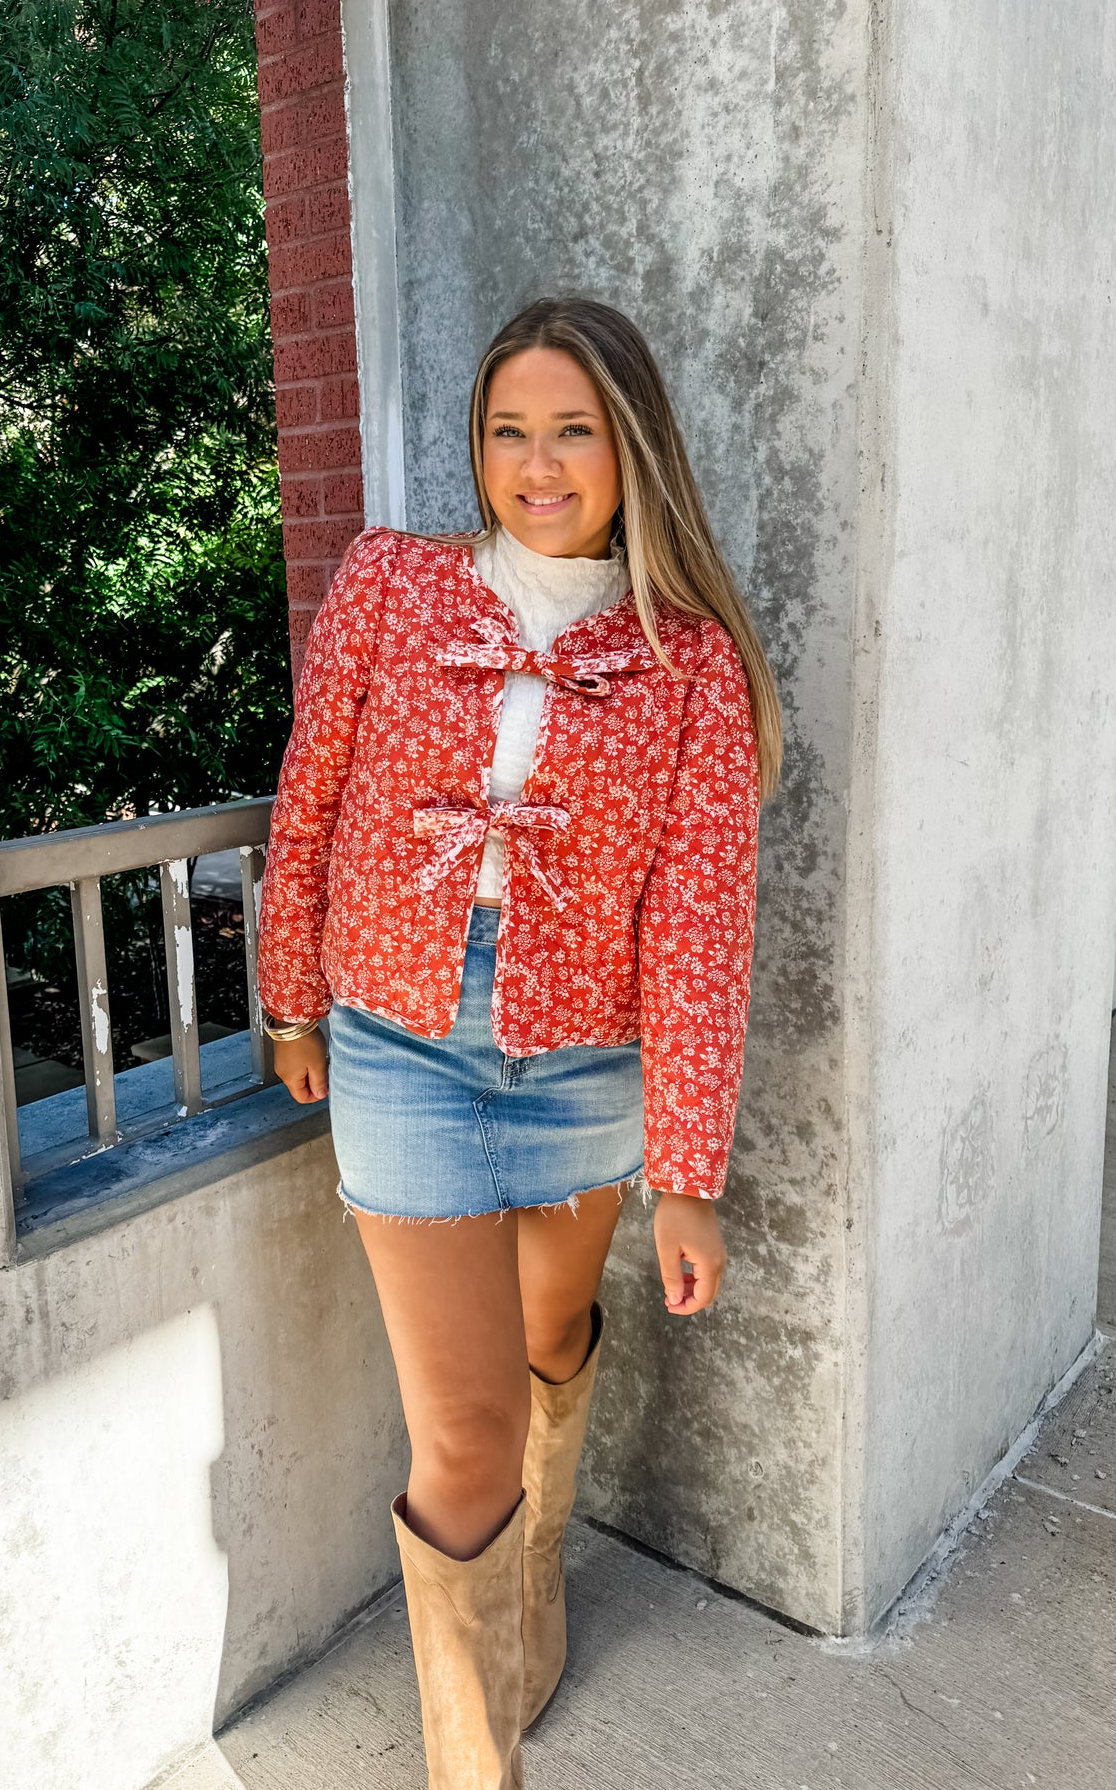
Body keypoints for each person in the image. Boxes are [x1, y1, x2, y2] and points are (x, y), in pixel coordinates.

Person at [256, 296, 781, 1787]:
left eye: (572, 431)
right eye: (508, 430)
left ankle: (531, 1587)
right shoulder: (391, 583)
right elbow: (311, 800)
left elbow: (698, 929)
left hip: (585, 1066)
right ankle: (471, 1762)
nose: (536, 464)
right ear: (476, 446)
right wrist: (293, 993)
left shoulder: (689, 663)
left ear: (631, 450)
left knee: (552, 1346)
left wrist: (686, 1169)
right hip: (403, 1041)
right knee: (468, 1435)